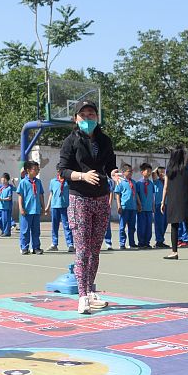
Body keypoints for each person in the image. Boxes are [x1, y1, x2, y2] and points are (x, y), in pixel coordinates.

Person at [57, 101, 118, 314]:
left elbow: (110, 165)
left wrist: (114, 173)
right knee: (82, 250)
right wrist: (82, 175)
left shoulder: (104, 141)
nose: (87, 118)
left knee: (95, 249)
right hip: (79, 199)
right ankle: (82, 296)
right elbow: (62, 170)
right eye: (83, 115)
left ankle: (91, 291)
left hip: (101, 198)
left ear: (97, 117)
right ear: (76, 119)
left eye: (91, 114)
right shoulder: (70, 142)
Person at [17, 160, 44, 255]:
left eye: (38, 169)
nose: (37, 171)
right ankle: (24, 247)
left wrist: (43, 207)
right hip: (27, 210)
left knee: (36, 230)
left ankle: (36, 247)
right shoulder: (23, 182)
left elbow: (41, 195)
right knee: (25, 230)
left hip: (36, 210)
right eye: (35, 169)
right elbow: (20, 195)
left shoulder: (38, 182)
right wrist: (21, 207)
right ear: (28, 170)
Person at [46, 170, 74, 251]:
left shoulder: (68, 182)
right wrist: (47, 206)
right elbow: (51, 194)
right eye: (58, 171)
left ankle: (70, 244)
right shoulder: (53, 181)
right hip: (54, 206)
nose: (60, 173)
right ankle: (54, 244)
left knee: (67, 225)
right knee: (54, 226)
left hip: (65, 206)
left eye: (61, 171)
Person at [114, 164, 138, 250]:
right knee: (122, 227)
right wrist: (119, 205)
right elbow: (117, 194)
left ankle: (132, 243)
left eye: (131, 171)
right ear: (123, 172)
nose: (131, 173)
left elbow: (136, 194)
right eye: (129, 171)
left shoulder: (134, 182)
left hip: (133, 208)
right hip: (124, 208)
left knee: (132, 227)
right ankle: (122, 243)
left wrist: (138, 204)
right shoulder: (121, 183)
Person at [136, 163, 155, 249]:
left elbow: (152, 196)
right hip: (141, 209)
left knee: (149, 226)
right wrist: (139, 205)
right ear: (142, 172)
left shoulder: (151, 184)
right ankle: (141, 242)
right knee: (141, 226)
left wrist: (153, 206)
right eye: (147, 171)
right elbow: (136, 195)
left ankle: (147, 242)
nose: (149, 173)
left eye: (150, 171)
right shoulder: (138, 183)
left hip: (149, 209)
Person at [152, 166, 168, 249]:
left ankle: (161, 240)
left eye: (164, 172)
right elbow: (153, 173)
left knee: (165, 223)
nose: (162, 174)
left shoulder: (167, 181)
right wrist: (157, 168)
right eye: (161, 172)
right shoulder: (156, 181)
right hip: (158, 204)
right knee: (159, 223)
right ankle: (158, 241)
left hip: (167, 204)